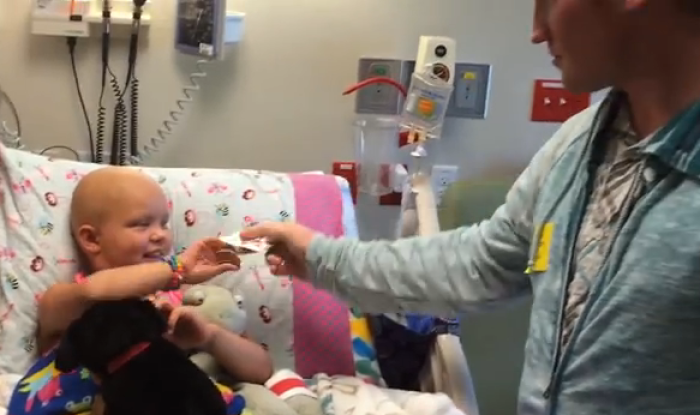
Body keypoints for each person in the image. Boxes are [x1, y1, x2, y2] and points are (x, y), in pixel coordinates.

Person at [241, 1, 700, 414]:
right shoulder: (582, 143)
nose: (536, 31)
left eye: (548, 1)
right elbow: (483, 261)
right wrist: (322, 256)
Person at [9, 167, 273, 415]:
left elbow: (261, 370)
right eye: (142, 224)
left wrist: (210, 337)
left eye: (164, 223)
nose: (160, 235)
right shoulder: (71, 298)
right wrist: (175, 269)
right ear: (91, 239)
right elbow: (99, 290)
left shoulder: (184, 297)